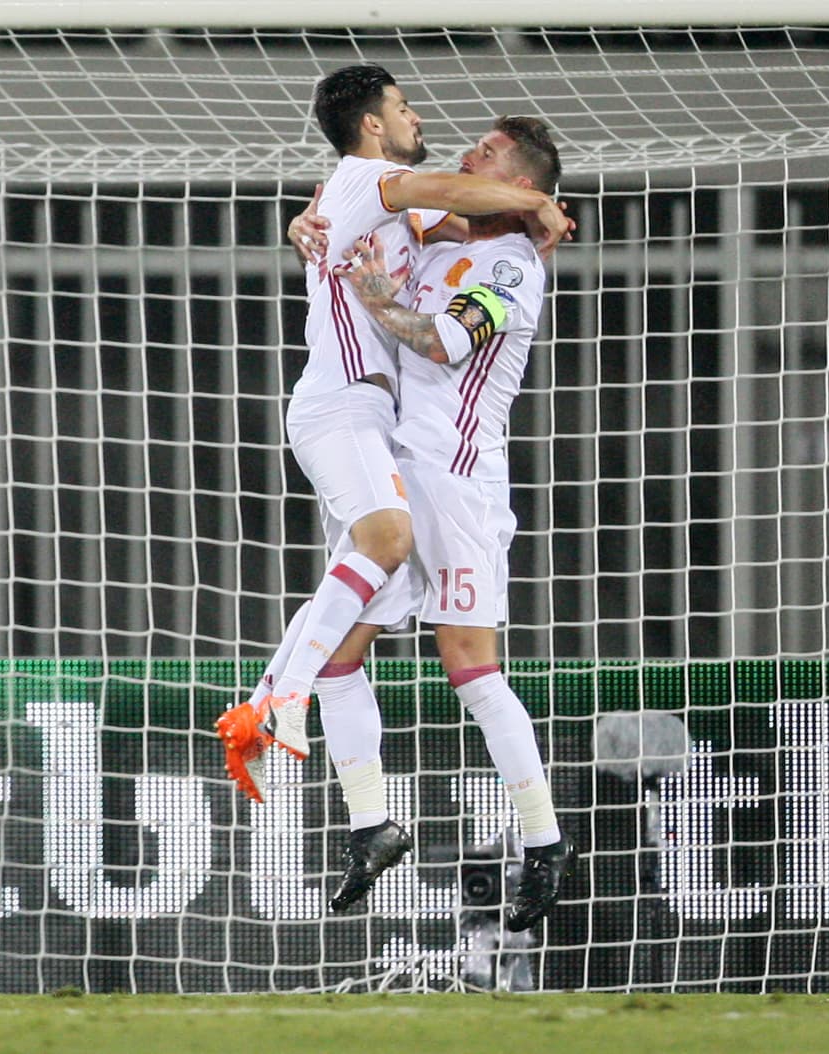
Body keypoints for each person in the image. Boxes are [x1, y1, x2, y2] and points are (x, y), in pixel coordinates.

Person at [216, 66, 571, 802]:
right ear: (374, 124)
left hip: (396, 433)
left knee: (357, 628)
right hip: (345, 404)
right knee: (387, 546)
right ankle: (280, 698)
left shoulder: (420, 229)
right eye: (405, 107)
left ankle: (353, 805)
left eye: (486, 151)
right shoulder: (368, 179)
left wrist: (540, 215)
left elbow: (458, 221)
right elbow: (447, 193)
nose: (422, 121)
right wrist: (540, 201)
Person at [289, 116, 576, 933]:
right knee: (340, 657)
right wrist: (306, 223)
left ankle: (545, 840)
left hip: (457, 485)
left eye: (483, 157)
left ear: (519, 186)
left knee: (470, 669)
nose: (464, 161)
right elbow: (363, 207)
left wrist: (377, 293)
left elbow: (446, 342)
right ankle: (373, 824)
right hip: (401, 479)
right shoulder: (440, 233)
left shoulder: (514, 266)